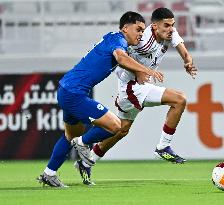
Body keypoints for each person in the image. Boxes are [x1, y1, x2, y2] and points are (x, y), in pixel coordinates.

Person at [37, 11, 163, 188]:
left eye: (143, 30)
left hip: (67, 89)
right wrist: (147, 70)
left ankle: (49, 173)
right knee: (116, 126)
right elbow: (121, 58)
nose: (141, 33)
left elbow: (123, 59)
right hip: (74, 92)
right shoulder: (118, 41)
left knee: (70, 135)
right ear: (125, 28)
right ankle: (82, 144)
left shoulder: (113, 39)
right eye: (138, 29)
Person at [73, 7, 197, 186]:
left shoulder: (170, 33)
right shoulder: (142, 40)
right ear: (154, 26)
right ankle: (163, 147)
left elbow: (182, 49)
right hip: (132, 87)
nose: (171, 29)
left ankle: (86, 162)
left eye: (172, 25)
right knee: (179, 99)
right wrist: (139, 71)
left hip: (140, 86)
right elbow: (120, 58)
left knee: (121, 130)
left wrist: (188, 61)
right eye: (166, 25)